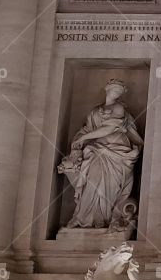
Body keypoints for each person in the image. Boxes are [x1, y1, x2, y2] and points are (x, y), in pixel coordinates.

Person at [59, 79, 143, 229]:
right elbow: (87, 129)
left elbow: (108, 129)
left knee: (109, 186)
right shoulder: (95, 111)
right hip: (96, 150)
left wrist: (85, 138)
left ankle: (102, 219)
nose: (116, 93)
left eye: (119, 91)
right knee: (92, 180)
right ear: (107, 89)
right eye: (114, 89)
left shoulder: (118, 108)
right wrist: (78, 140)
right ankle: (83, 217)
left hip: (117, 151)